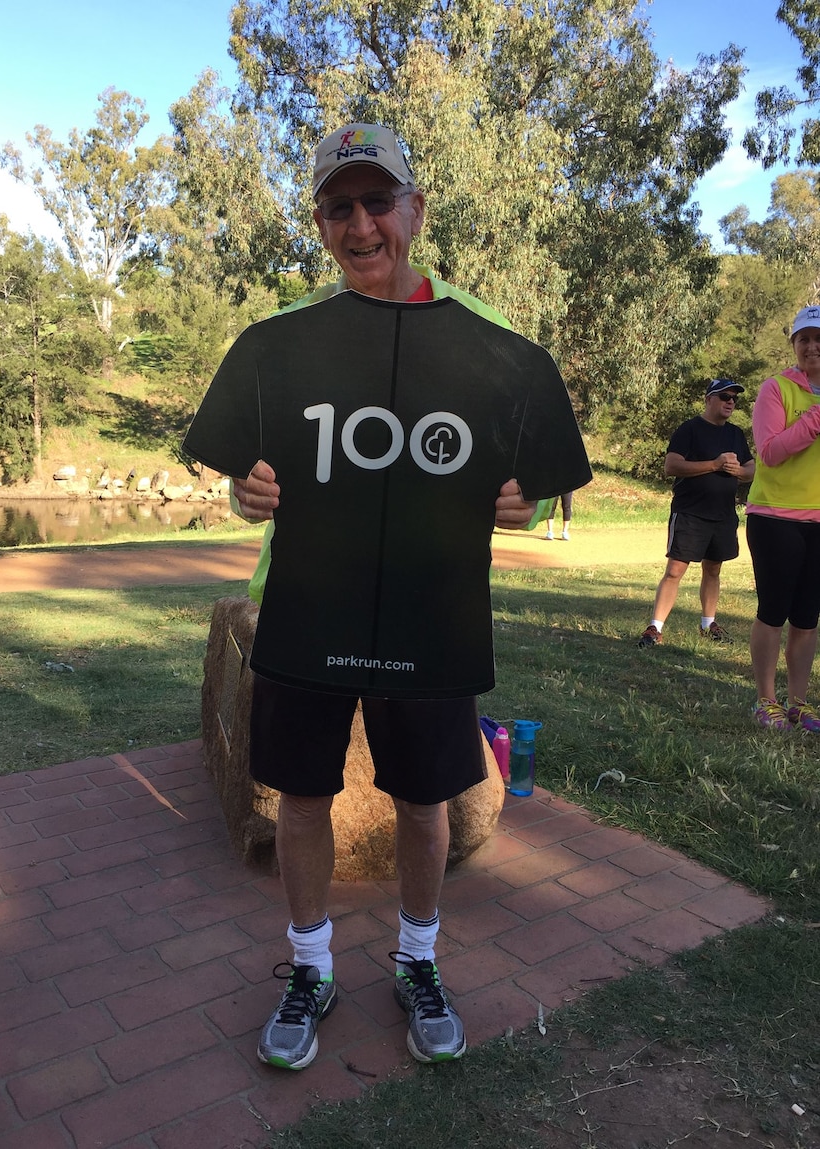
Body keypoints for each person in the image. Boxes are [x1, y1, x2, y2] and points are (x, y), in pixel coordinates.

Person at [197, 123, 590, 1072]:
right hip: (308, 612)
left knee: (423, 800)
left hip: (432, 618)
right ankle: (310, 967)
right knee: (301, 795)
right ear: (322, 225)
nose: (362, 224)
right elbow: (243, 468)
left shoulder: (492, 346)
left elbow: (530, 484)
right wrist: (243, 488)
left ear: (415, 209)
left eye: (379, 202)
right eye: (341, 207)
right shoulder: (281, 344)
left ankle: (418, 958)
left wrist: (520, 502)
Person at [745, 305, 820, 731]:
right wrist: (815, 418)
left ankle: (799, 702)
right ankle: (766, 701)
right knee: (774, 610)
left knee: (808, 616)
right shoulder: (776, 389)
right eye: (804, 339)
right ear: (793, 344)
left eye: (819, 340)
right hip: (775, 516)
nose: (812, 347)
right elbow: (770, 453)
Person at [637, 378, 755, 648]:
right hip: (691, 512)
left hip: (723, 514)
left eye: (735, 399)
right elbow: (672, 466)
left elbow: (751, 469)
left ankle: (708, 624)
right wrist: (714, 464)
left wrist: (740, 472)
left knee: (713, 570)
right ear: (708, 399)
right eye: (725, 396)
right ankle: (654, 628)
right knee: (675, 570)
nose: (730, 402)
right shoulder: (689, 429)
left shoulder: (735, 434)